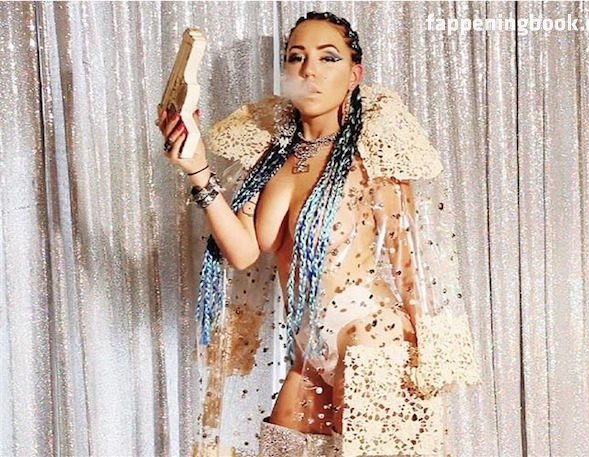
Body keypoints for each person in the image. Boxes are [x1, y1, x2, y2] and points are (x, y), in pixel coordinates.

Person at [158, 11, 482, 457]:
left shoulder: (370, 156)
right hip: (309, 351)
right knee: (282, 448)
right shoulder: (270, 160)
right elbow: (244, 252)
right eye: (296, 58)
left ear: (354, 76)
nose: (309, 70)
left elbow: (411, 264)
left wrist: (431, 357)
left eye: (328, 58)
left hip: (371, 340)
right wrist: (197, 169)